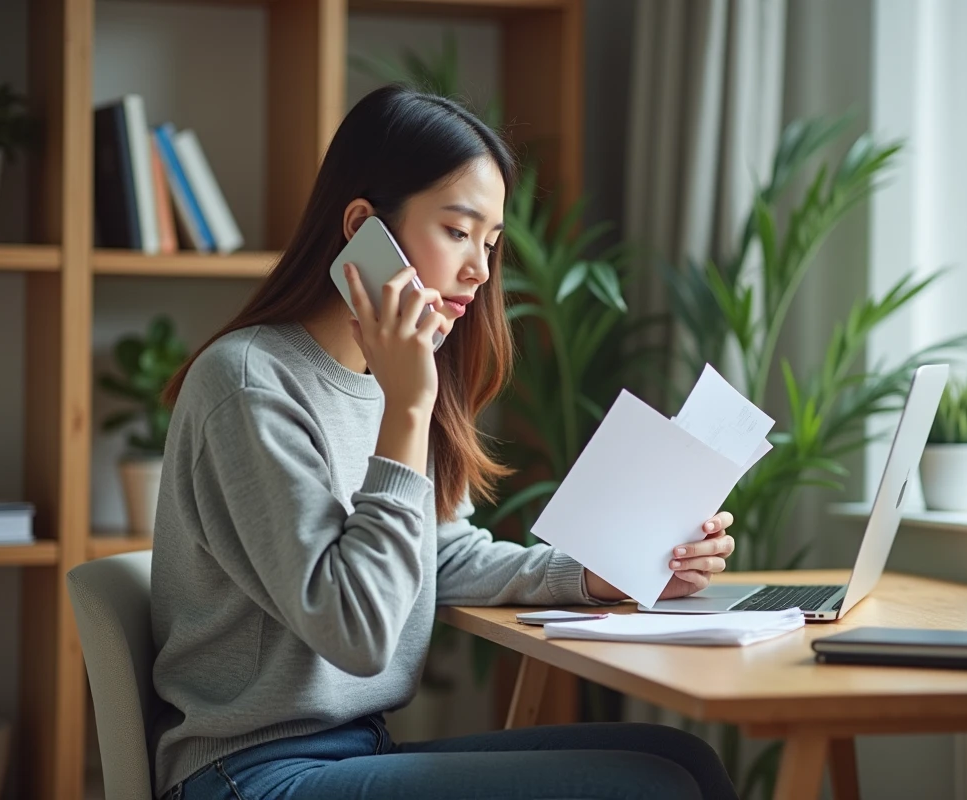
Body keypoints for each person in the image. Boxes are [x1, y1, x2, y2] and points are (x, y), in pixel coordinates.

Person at [149, 84, 741, 800]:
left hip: (355, 750)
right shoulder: (249, 383)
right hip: (248, 772)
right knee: (654, 788)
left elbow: (440, 551)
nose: (480, 270)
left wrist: (597, 576)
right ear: (365, 225)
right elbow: (357, 634)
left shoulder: (387, 378)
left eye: (491, 243)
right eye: (458, 232)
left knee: (687, 764)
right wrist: (408, 406)